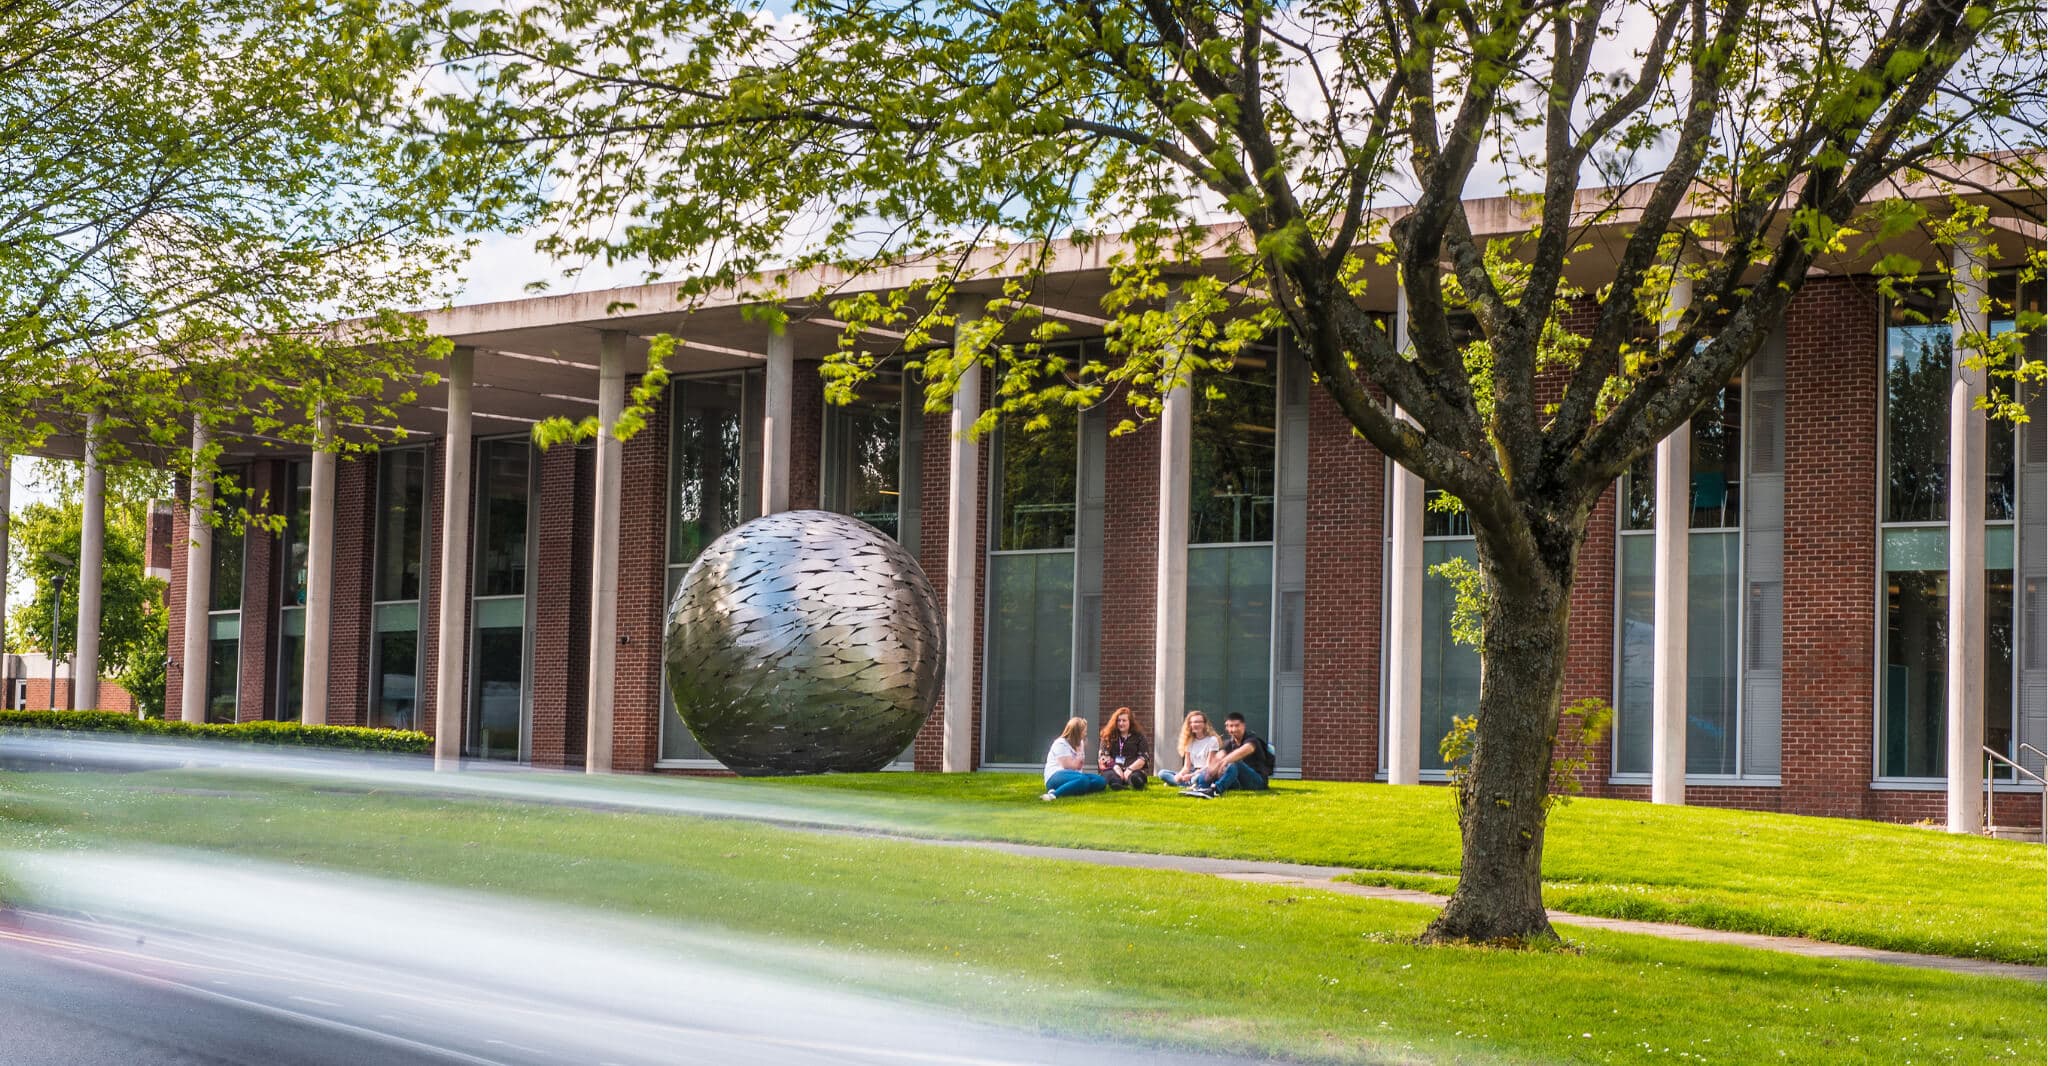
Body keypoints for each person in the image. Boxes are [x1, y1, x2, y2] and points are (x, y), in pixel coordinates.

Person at [1183, 712, 1275, 798]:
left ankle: (1215, 791)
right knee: (1213, 766)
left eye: (1237, 725)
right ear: (1226, 727)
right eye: (1230, 726)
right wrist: (1213, 768)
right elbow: (1217, 758)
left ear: (1243, 726)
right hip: (1239, 782)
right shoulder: (1228, 743)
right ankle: (1201, 787)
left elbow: (1244, 750)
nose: (1233, 729)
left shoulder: (1252, 740)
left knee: (1235, 764)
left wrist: (1224, 762)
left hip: (1258, 781)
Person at [1041, 717, 1108, 801]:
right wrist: (1079, 752)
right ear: (1077, 732)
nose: (1086, 733)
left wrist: (1079, 750)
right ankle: (1053, 795)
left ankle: (1075, 787)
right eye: (1084, 731)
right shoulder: (1061, 743)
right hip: (1056, 776)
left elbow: (1079, 766)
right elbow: (1070, 766)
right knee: (1083, 780)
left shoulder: (1080, 742)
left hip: (1075, 776)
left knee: (1100, 781)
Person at [1160, 710, 1219, 789]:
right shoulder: (1189, 741)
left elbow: (1208, 766)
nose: (1194, 724)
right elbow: (1187, 767)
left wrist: (1191, 775)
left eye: (1198, 722)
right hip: (1192, 771)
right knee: (1162, 773)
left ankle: (1181, 783)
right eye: (1192, 722)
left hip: (1204, 772)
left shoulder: (1212, 740)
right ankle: (1185, 783)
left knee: (1196, 778)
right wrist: (1180, 776)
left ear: (1205, 724)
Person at [1097, 707, 1149, 790]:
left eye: (1124, 721)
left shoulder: (1139, 737)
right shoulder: (1108, 736)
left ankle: (1135, 785)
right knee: (1111, 776)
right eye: (1118, 720)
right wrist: (1116, 767)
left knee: (1135, 777)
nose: (1121, 723)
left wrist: (1130, 769)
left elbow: (1143, 758)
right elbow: (1103, 756)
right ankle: (1117, 785)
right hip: (1113, 769)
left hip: (1133, 769)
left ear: (1130, 722)